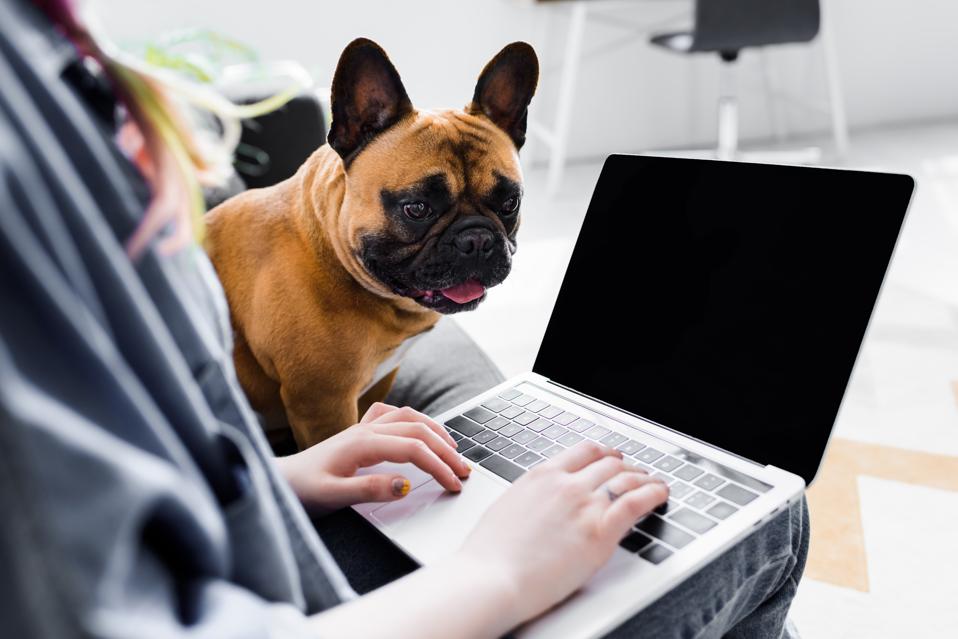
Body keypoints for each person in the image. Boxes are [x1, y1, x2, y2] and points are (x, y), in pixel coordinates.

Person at [0, 1, 809, 637]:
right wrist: (493, 571)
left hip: (253, 484)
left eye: (499, 208)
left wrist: (283, 480)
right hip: (284, 539)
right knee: (779, 519)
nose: (470, 244)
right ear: (348, 139)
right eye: (419, 208)